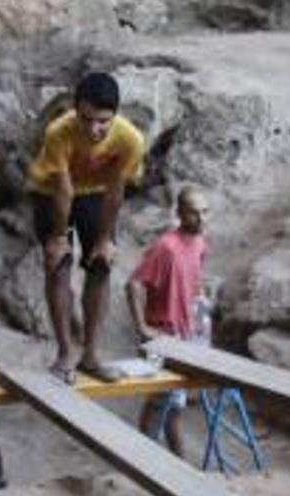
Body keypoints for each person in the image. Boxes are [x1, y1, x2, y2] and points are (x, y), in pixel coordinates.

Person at [29, 72, 146, 384]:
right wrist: (56, 238)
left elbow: (116, 191)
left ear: (116, 115)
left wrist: (105, 239)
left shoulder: (130, 139)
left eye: (103, 121)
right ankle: (65, 353)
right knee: (59, 266)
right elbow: (63, 190)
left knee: (101, 265)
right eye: (86, 119)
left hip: (96, 193)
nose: (93, 129)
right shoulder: (59, 131)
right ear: (75, 109)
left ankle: (91, 355)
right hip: (51, 191)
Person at [126, 186, 210, 458]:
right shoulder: (166, 248)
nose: (201, 219)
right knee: (157, 405)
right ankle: (143, 467)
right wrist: (142, 328)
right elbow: (134, 285)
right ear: (180, 213)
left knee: (174, 406)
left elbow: (196, 283)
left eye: (205, 212)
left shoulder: (199, 243)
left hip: (184, 338)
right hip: (162, 337)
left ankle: (180, 466)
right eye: (194, 213)